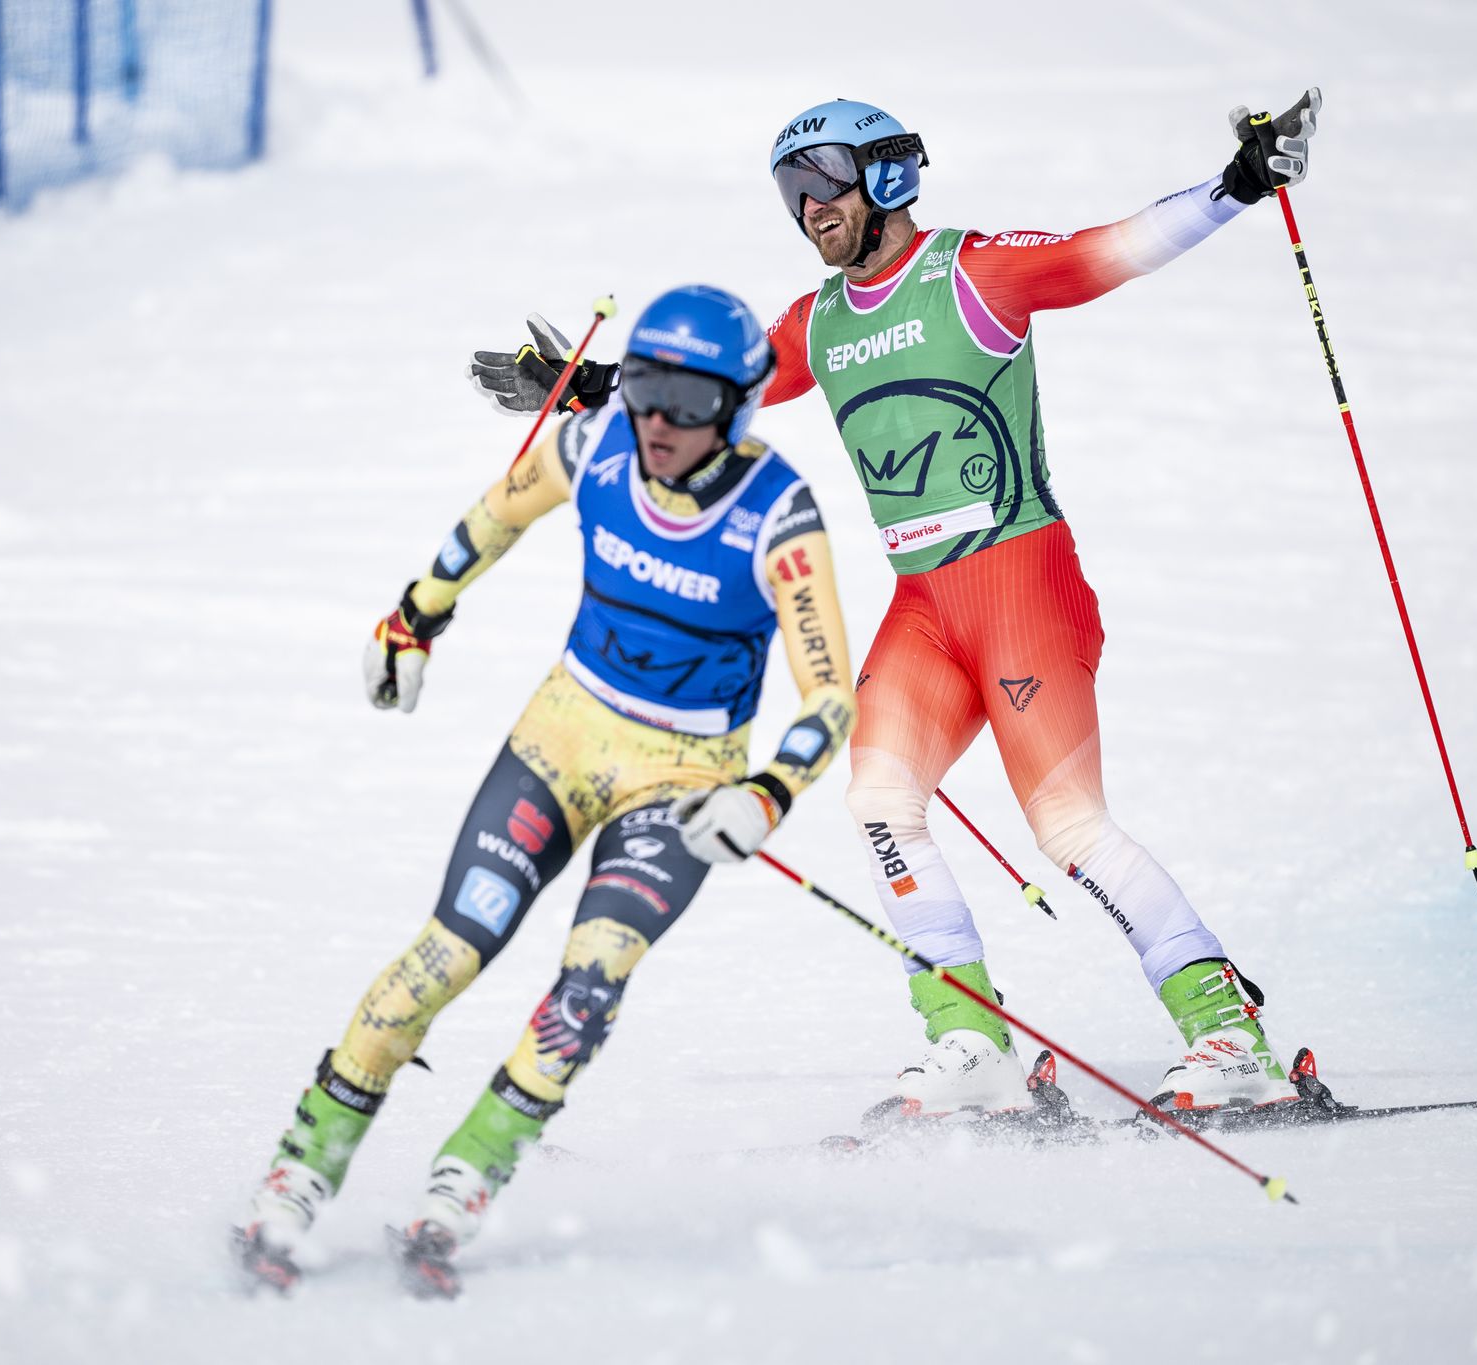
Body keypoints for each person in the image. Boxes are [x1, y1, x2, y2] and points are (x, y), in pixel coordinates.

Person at [471, 92, 1324, 1123]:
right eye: (791, 192)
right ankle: (969, 1042)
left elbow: (1110, 250)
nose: (808, 209)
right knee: (878, 804)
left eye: (823, 181)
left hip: (1020, 581)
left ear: (885, 176)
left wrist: (1237, 184)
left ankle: (1226, 1034)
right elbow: (703, 389)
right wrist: (580, 387)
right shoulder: (819, 322)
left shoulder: (972, 272)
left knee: (1066, 826)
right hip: (922, 604)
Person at [235, 284, 856, 1299]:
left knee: (588, 984)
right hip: (561, 741)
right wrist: (412, 617)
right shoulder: (595, 448)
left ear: (739, 407)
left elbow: (830, 696)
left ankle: (467, 1173)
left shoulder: (779, 518)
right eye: (644, 387)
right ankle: (301, 1170)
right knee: (448, 952)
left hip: (682, 780)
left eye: (688, 401)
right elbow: (495, 515)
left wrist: (768, 793)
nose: (657, 419)